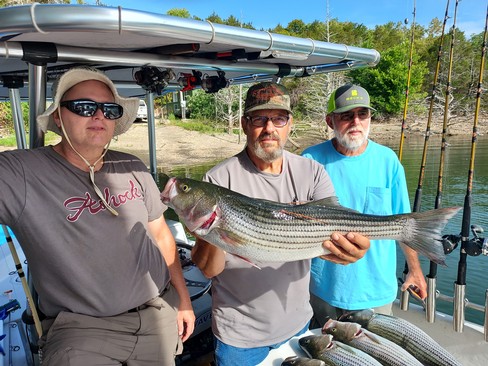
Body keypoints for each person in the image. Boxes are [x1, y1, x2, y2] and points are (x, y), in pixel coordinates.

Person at [0, 67, 195, 365]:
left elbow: (161, 235)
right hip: (82, 332)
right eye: (84, 107)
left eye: (109, 109)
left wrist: (182, 299)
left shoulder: (133, 166)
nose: (99, 115)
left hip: (157, 315)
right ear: (57, 117)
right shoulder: (20, 173)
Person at [190, 82, 370, 366]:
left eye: (278, 118)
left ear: (289, 124)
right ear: (244, 124)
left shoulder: (311, 171)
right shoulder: (217, 179)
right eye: (259, 119)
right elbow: (210, 269)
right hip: (239, 335)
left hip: (298, 323)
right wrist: (210, 230)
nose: (269, 128)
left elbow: (334, 241)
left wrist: (349, 253)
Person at [302, 84, 427, 324]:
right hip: (323, 289)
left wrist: (415, 269)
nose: (356, 122)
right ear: (330, 121)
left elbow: (406, 223)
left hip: (376, 291)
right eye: (347, 115)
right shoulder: (310, 160)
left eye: (363, 114)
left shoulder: (388, 161)